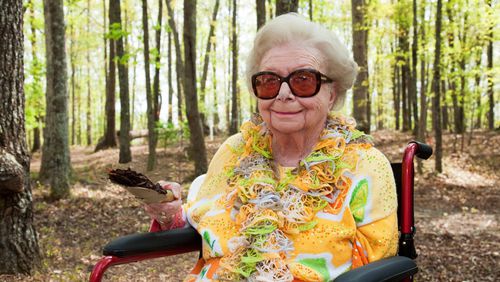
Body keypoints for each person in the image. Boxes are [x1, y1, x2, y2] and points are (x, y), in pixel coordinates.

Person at [145, 13, 398, 282]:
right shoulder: (235, 151)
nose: (283, 93)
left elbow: (378, 262)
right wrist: (170, 213)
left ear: (332, 93)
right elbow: (201, 216)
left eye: (303, 80)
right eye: (269, 81)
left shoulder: (364, 164)